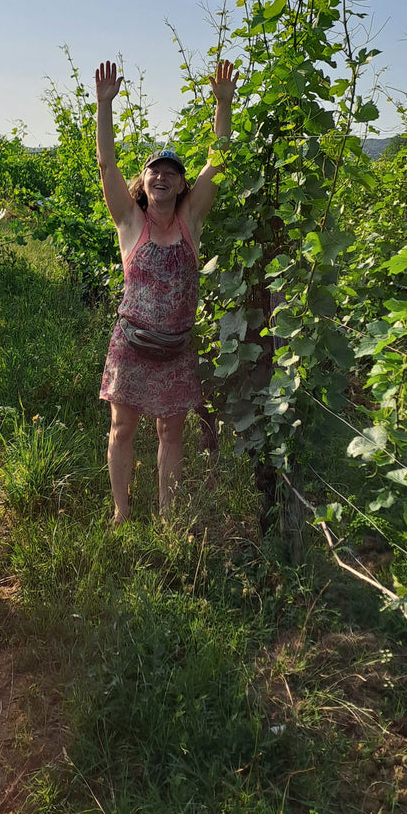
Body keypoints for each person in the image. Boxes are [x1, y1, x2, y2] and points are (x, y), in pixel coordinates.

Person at [95, 58, 235, 524]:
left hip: (175, 348)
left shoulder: (189, 222)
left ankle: (167, 518)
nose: (162, 177)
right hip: (132, 346)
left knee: (171, 433)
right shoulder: (129, 222)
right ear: (146, 179)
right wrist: (104, 105)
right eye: (155, 170)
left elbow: (218, 160)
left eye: (172, 173)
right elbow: (107, 163)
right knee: (122, 427)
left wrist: (223, 104)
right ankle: (120, 513)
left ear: (180, 185)